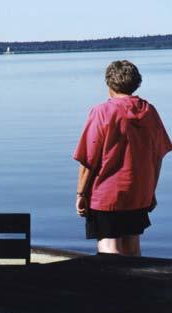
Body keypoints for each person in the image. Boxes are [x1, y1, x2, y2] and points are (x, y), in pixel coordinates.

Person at [73, 60, 172, 256]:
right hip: (138, 192)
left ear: (109, 84)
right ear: (137, 83)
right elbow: (158, 157)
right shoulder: (149, 112)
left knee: (109, 247)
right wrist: (150, 191)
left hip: (106, 195)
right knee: (132, 244)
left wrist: (81, 194)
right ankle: (134, 285)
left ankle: (114, 286)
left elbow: (88, 160)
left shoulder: (102, 112)